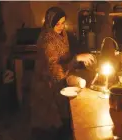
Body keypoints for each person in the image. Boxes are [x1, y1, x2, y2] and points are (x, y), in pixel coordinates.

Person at [30, 6, 95, 140]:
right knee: (50, 127)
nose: (61, 26)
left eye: (63, 22)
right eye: (57, 24)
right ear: (50, 23)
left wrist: (82, 62)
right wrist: (77, 58)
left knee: (64, 122)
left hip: (59, 85)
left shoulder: (62, 35)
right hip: (46, 89)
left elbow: (66, 58)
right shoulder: (47, 41)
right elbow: (55, 70)